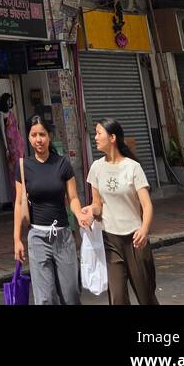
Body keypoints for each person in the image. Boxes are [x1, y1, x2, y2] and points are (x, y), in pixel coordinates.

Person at [79, 118, 157, 306]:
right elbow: (98, 204)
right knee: (118, 299)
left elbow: (147, 205)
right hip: (110, 241)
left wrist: (144, 230)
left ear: (112, 137)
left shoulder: (132, 167)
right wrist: (90, 211)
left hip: (135, 240)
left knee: (146, 296)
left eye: (99, 133)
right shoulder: (96, 167)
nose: (95, 137)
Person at [13, 115, 83, 305]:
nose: (38, 140)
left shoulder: (62, 164)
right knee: (44, 299)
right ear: (28, 137)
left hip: (63, 237)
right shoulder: (23, 166)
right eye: (34, 135)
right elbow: (19, 204)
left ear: (49, 136)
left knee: (71, 295)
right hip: (37, 238)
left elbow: (73, 198)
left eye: (42, 134)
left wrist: (79, 214)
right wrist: (17, 239)